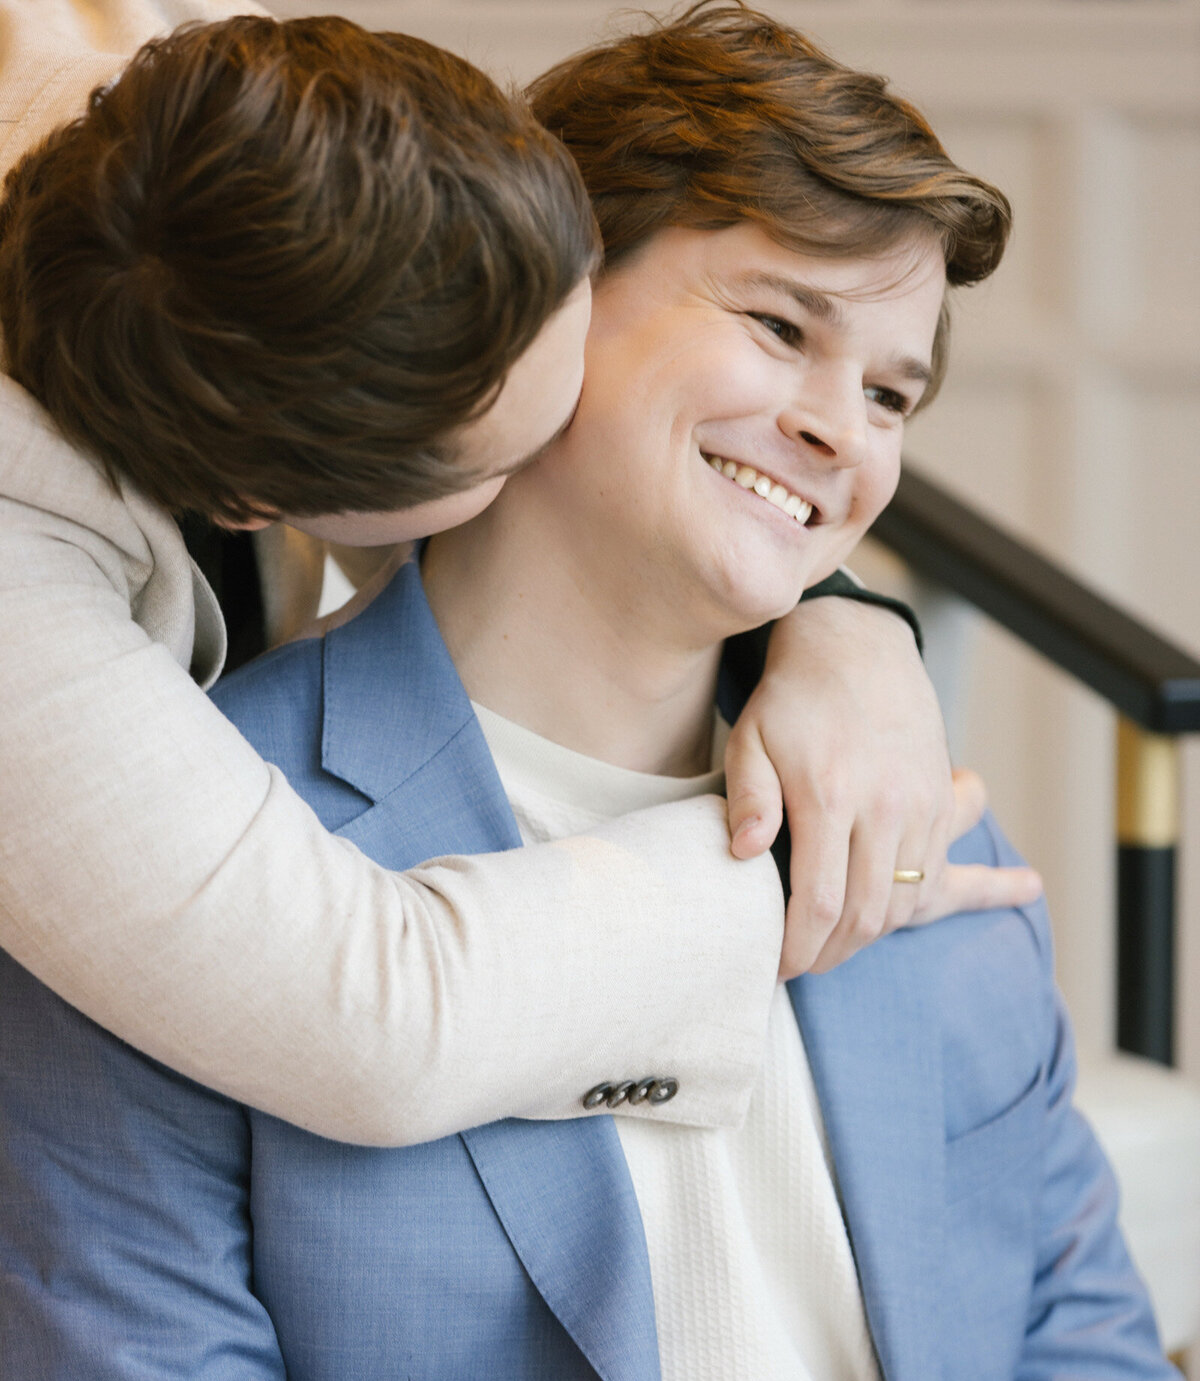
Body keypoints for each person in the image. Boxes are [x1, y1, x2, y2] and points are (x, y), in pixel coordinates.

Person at [8, 5, 1195, 1381]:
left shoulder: (926, 832)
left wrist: (852, 636)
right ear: (543, 300)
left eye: (889, 393)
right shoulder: (181, 861)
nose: (836, 434)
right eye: (779, 326)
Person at [0, 0, 1029, 1156]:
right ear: (257, 502)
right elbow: (373, 1028)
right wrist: (792, 874)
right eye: (510, 450)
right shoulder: (25, 584)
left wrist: (845, 625)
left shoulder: (221, 118)